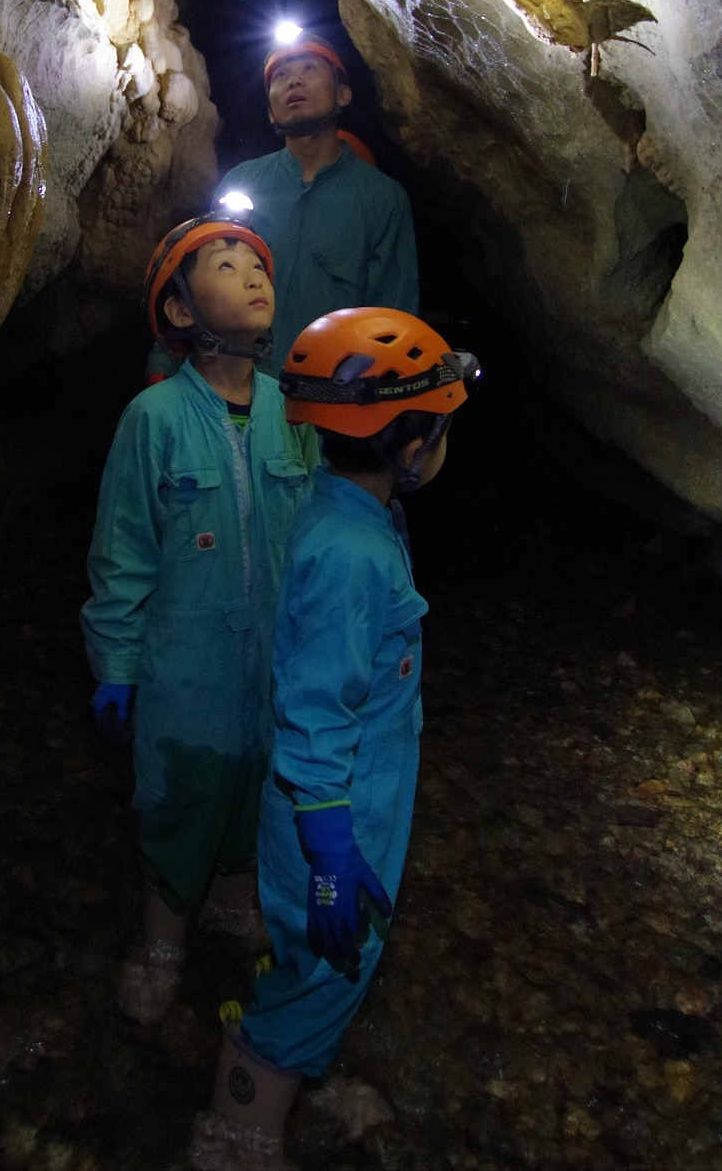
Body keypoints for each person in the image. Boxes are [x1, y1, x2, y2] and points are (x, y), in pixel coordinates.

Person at [190, 307, 477, 1168]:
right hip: (336, 816)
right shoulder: (353, 554)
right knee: (327, 971)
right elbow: (316, 713)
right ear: (412, 445)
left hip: (354, 801)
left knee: (319, 968)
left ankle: (285, 1073)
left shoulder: (354, 512)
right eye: (442, 424)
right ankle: (238, 1127)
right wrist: (330, 857)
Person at [81, 216, 320, 1026]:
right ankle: (161, 939)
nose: (255, 273)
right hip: (187, 669)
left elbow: (315, 540)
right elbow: (122, 554)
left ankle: (228, 899)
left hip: (272, 669)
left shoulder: (295, 413)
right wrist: (115, 668)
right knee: (181, 796)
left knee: (256, 785)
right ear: (181, 312)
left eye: (259, 262)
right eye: (227, 264)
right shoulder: (152, 421)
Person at [216, 34, 418, 366]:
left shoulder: (382, 199)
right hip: (240, 396)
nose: (293, 80)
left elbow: (392, 318)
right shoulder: (241, 182)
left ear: (343, 94)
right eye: (280, 76)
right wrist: (166, 364)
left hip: (331, 400)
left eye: (309, 68)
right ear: (270, 111)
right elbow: (203, 281)